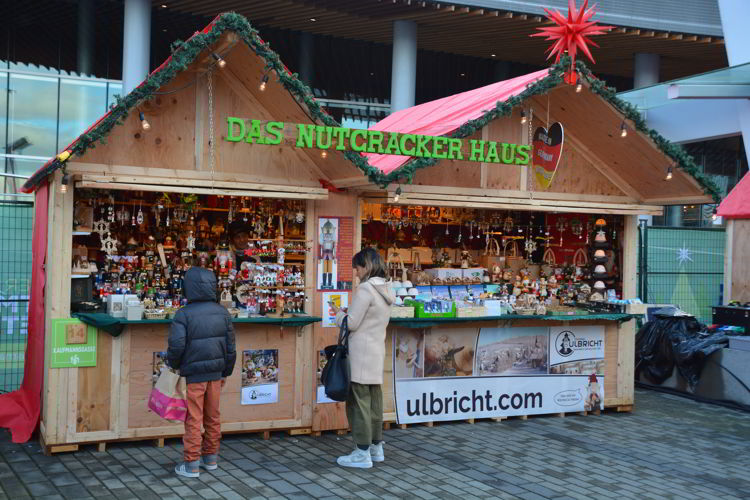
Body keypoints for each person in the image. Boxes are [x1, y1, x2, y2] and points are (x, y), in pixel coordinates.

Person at [168, 266, 236, 478]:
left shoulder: (183, 314)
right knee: (213, 417)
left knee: (193, 418)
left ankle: (192, 464)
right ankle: (211, 458)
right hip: (216, 374)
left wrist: (174, 364)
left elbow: (177, 345)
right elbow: (231, 347)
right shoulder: (222, 312)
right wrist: (226, 371)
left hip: (193, 375)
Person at [330, 247, 394, 469]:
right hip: (376, 352)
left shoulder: (366, 289)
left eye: (356, 267)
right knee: (374, 403)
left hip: (360, 355)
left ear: (366, 266)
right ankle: (376, 447)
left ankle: (362, 452)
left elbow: (352, 323)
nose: (355, 272)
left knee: (358, 404)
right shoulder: (386, 289)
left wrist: (338, 313)